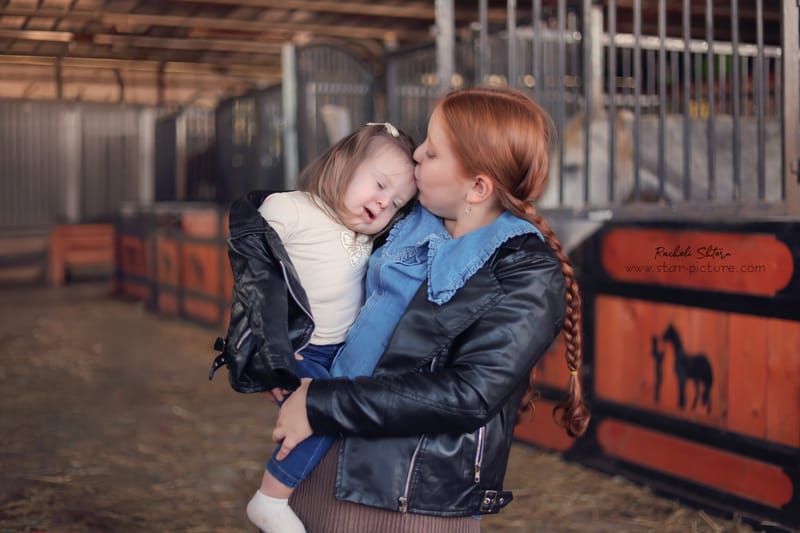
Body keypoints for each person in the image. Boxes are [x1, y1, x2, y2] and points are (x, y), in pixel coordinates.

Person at [270, 86, 590, 532]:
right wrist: (277, 358)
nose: (416, 154)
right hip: (317, 456)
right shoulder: (398, 224)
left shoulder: (525, 271)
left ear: (477, 186)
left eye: (433, 153)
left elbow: (469, 394)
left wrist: (323, 404)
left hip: (410, 498)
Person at [210, 122, 418, 533]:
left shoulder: (368, 237)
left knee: (339, 415)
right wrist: (273, 349)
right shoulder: (292, 209)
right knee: (323, 413)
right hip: (298, 349)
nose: (382, 203)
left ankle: (303, 501)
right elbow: (255, 271)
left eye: (395, 203)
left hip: (340, 353)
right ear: (342, 162)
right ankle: (270, 499)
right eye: (378, 184)